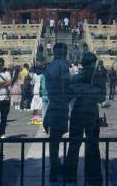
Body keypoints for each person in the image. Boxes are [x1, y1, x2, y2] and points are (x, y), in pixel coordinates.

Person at [65, 52, 103, 185]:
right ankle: (93, 177)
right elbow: (101, 98)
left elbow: (68, 95)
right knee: (92, 145)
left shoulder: (76, 78)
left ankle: (70, 176)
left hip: (78, 111)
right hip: (91, 111)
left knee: (74, 145)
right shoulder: (97, 79)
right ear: (93, 63)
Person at [44, 43, 71, 182]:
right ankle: (56, 169)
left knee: (54, 140)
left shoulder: (50, 67)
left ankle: (55, 167)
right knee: (58, 140)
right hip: (61, 105)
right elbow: (65, 88)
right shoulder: (64, 66)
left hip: (54, 105)